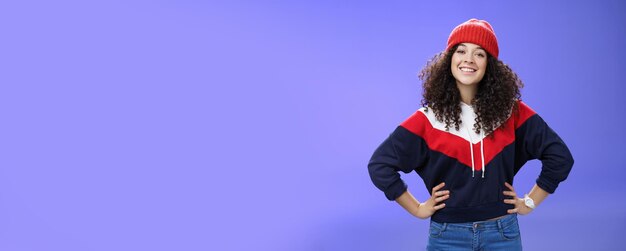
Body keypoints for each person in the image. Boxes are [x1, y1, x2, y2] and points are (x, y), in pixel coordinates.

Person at [367, 18, 574, 250]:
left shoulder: (512, 113)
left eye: (479, 54)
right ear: (449, 59)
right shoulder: (427, 119)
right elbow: (380, 165)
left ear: (490, 65)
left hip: (502, 233)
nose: (468, 59)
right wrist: (417, 208)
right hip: (447, 236)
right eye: (461, 50)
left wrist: (529, 202)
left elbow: (560, 157)